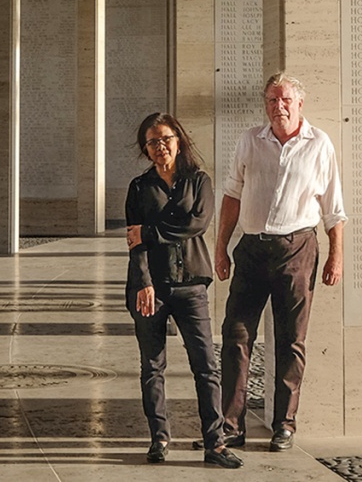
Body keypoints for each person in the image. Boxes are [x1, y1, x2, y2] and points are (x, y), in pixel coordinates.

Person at [214, 73, 347, 452]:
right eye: (272, 100)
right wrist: (221, 247)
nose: (279, 107)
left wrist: (335, 256)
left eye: (286, 100)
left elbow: (333, 209)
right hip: (252, 249)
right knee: (236, 335)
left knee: (291, 341)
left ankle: (284, 425)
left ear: (299, 103)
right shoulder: (250, 141)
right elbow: (232, 194)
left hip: (297, 250)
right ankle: (230, 425)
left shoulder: (319, 144)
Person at [125, 112, 243, 469]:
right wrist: (143, 282)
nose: (160, 146)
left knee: (205, 366)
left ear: (179, 140)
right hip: (151, 288)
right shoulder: (139, 187)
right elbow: (134, 243)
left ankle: (215, 443)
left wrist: (150, 231)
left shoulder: (198, 181)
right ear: (146, 149)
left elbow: (197, 223)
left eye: (166, 138)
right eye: (152, 142)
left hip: (191, 284)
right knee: (152, 366)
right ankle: (159, 438)